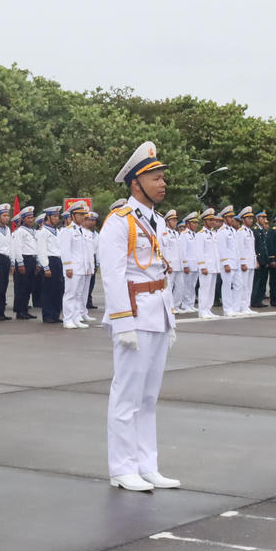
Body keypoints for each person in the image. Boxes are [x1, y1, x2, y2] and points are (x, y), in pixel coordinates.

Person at [100, 141, 180, 492]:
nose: (163, 184)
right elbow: (113, 274)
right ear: (136, 183)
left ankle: (147, 464)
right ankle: (122, 467)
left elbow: (164, 271)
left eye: (163, 177)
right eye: (156, 178)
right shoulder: (119, 222)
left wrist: (171, 318)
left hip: (157, 314)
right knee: (127, 395)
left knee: (149, 397)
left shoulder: (158, 222)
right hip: (134, 315)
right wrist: (122, 322)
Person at [60, 203, 91, 329]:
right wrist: (68, 267)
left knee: (79, 294)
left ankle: (75, 317)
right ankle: (67, 319)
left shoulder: (82, 231)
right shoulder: (67, 231)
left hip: (82, 268)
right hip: (72, 268)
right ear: (72, 216)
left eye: (84, 215)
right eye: (80, 214)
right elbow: (65, 251)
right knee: (70, 294)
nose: (83, 217)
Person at [10, 206, 38, 320]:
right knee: (21, 287)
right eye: (28, 218)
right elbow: (17, 248)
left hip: (31, 259)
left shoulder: (33, 231)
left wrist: (37, 262)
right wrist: (20, 263)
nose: (31, 220)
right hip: (23, 260)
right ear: (23, 219)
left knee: (29, 287)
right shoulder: (19, 232)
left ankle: (25, 309)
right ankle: (20, 311)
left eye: (32, 217)